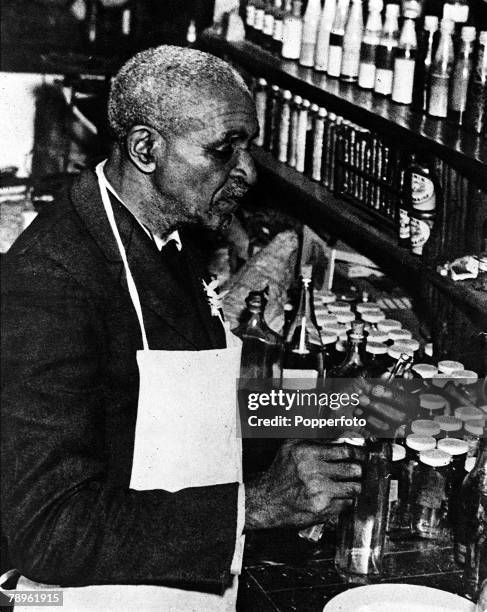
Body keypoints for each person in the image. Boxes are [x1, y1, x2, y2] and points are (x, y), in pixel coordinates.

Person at [1, 45, 363, 610]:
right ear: (146, 148)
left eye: (248, 147)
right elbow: (51, 530)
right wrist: (260, 505)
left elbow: (180, 408)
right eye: (223, 151)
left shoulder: (165, 229)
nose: (246, 172)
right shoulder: (53, 283)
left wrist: (399, 407)